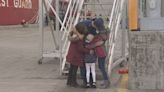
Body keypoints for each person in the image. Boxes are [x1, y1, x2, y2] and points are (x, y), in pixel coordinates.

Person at [66, 22, 89, 87]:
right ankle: (73, 82)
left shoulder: (74, 36)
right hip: (76, 56)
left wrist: (73, 31)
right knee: (74, 70)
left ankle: (69, 81)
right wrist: (87, 50)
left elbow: (70, 36)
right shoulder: (79, 39)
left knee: (71, 69)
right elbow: (80, 48)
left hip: (72, 55)